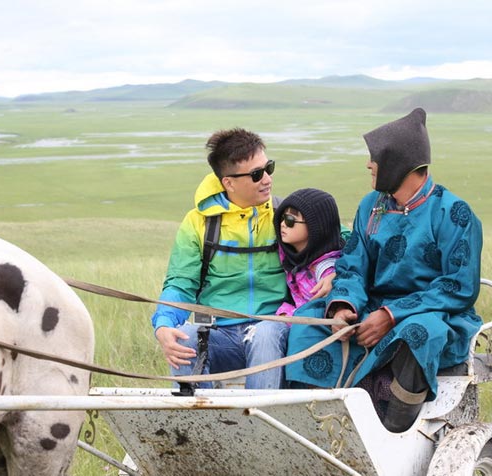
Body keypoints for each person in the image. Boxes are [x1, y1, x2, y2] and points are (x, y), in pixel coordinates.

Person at [285, 108, 483, 432]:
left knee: (419, 333)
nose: (368, 165)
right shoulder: (371, 206)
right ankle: (317, 422)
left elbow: (457, 285)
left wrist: (392, 314)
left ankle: (392, 425)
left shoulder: (454, 213)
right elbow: (351, 265)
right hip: (370, 307)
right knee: (306, 324)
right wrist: (344, 306)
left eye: (374, 158)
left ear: (398, 163)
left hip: (435, 311)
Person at [151, 127, 293, 389]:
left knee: (265, 333)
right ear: (228, 182)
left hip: (274, 330)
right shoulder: (198, 223)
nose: (267, 180)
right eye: (256, 174)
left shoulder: (286, 214)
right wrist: (163, 324)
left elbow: (330, 242)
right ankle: (197, 426)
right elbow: (181, 283)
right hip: (219, 333)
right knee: (185, 337)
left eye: (268, 168)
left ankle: (262, 424)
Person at [273, 188, 344, 317]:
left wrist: (286, 314)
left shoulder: (327, 271)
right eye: (282, 218)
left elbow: (319, 314)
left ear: (316, 226)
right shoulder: (290, 252)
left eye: (290, 220)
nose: (282, 224)